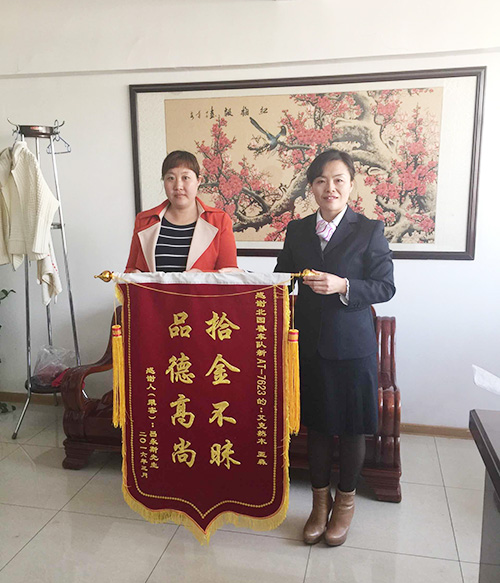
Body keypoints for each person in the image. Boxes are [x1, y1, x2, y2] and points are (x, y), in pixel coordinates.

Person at [275, 149, 395, 546]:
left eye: (339, 179)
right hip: (310, 345)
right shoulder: (297, 230)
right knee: (320, 428)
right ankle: (319, 505)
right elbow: (282, 278)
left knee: (352, 428)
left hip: (354, 347)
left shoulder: (369, 230)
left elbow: (385, 286)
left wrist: (343, 285)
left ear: (351, 185)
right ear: (311, 187)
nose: (330, 187)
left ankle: (345, 505)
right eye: (322, 180)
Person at [125, 150, 238, 273]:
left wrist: (200, 276)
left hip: (201, 287)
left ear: (198, 181)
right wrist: (133, 275)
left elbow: (230, 274)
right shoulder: (144, 220)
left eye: (185, 178)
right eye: (171, 178)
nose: (178, 186)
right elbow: (130, 270)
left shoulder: (219, 220)